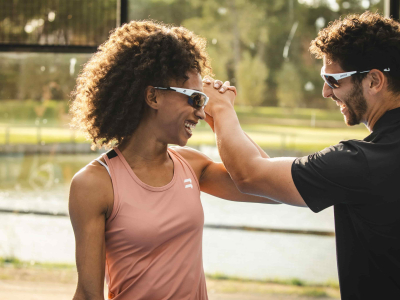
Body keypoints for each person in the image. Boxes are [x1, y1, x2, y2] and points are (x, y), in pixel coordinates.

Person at [68, 20, 276, 300]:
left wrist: (223, 113)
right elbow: (88, 294)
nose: (201, 114)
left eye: (203, 101)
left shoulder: (192, 165)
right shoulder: (95, 184)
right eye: (194, 100)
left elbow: (268, 186)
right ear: (153, 96)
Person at [203, 12, 400, 300]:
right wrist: (222, 124)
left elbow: (250, 175)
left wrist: (221, 109)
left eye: (332, 79)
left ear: (373, 80)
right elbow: (265, 173)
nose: (325, 92)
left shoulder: (363, 162)